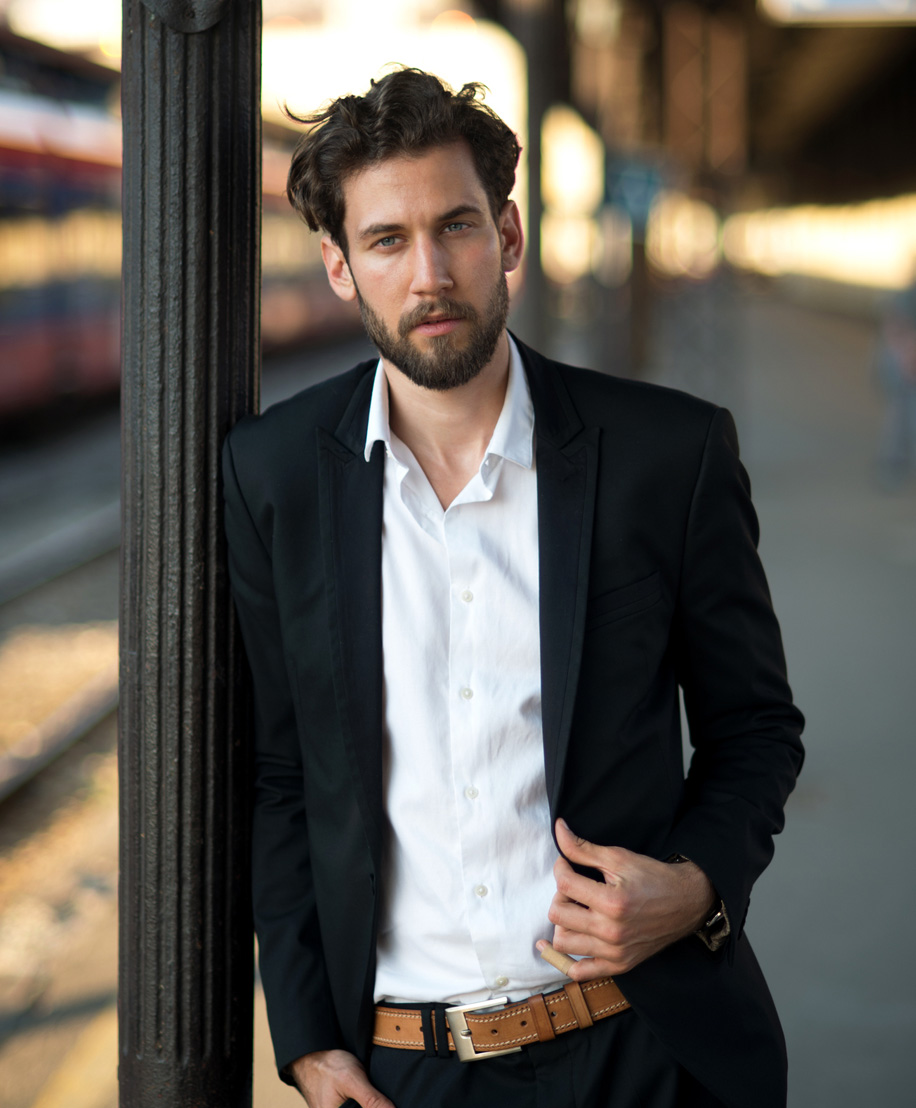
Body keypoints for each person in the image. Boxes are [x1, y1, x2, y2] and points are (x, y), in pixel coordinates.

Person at [222, 68, 804, 1108]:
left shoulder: (667, 455)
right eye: (387, 240)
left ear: (509, 238)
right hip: (407, 1072)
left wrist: (695, 887)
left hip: (641, 1051)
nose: (429, 274)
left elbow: (755, 726)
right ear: (340, 266)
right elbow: (279, 777)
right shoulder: (273, 477)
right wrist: (307, 1040)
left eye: (455, 227)